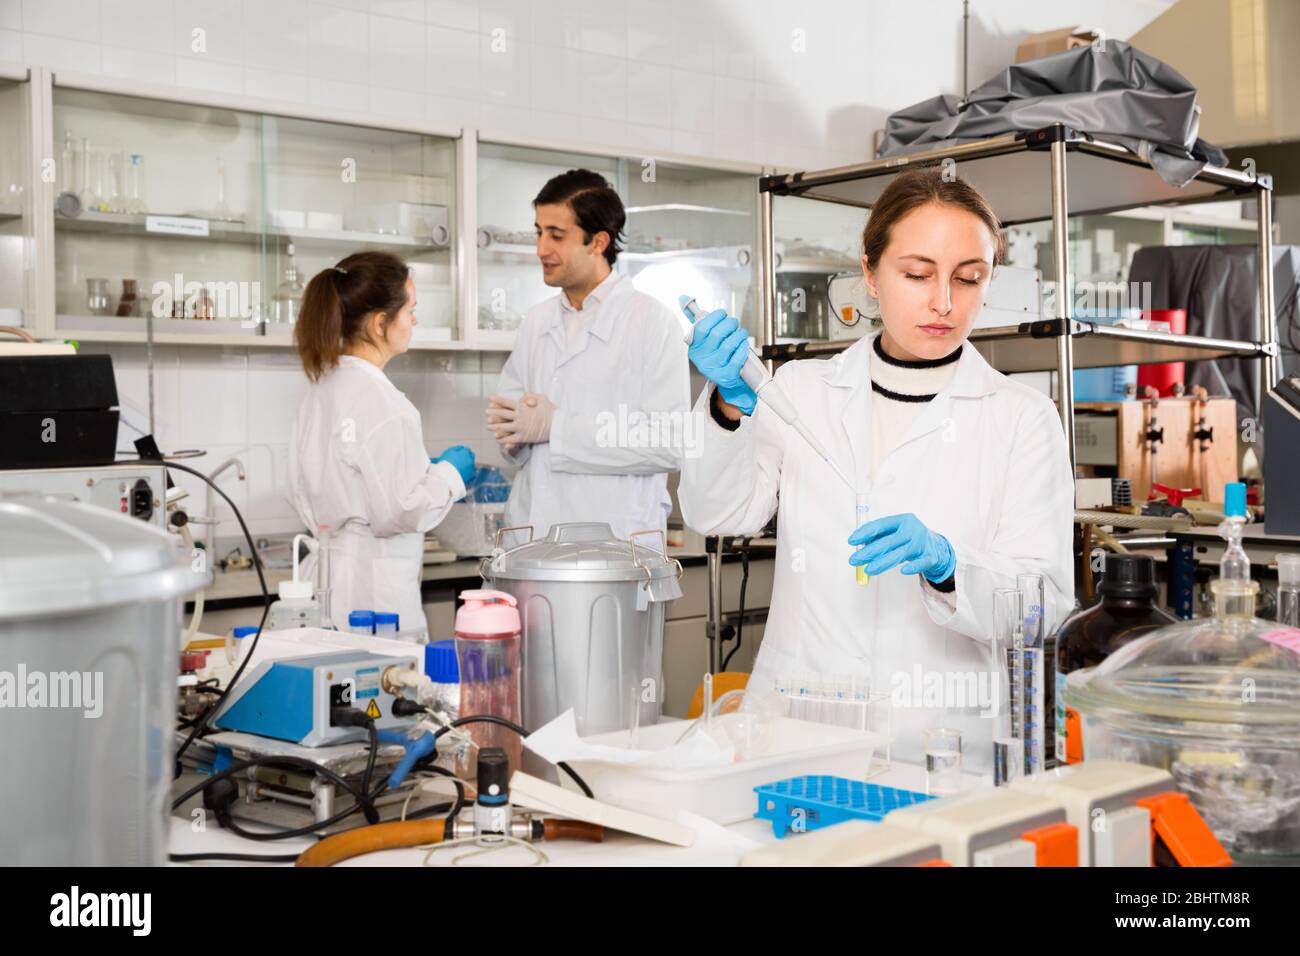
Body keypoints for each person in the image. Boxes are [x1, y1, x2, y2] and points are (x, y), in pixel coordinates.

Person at [677, 168, 1075, 771]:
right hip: (798, 729)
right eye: (917, 275)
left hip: (943, 745)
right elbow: (717, 515)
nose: (944, 301)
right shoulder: (803, 391)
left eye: (969, 279)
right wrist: (728, 402)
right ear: (869, 274)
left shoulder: (1021, 417)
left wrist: (949, 566)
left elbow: (1044, 605)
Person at [485, 169, 689, 542]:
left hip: (615, 549)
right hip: (531, 540)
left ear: (597, 242)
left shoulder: (651, 321)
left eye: (556, 235)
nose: (540, 249)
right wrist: (512, 433)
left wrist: (557, 426)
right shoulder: (537, 321)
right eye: (539, 232)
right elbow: (513, 421)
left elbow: (670, 444)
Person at [288, 251, 475, 638]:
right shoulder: (384, 403)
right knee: (384, 693)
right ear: (379, 324)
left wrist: (421, 470)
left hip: (325, 584)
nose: (415, 321)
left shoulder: (322, 388)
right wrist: (450, 476)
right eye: (410, 311)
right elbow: (399, 511)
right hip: (372, 594)